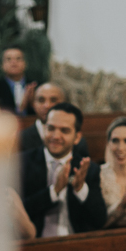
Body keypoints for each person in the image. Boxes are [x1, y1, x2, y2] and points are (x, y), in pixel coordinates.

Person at [19, 101, 107, 237]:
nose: (55, 136)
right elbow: (18, 212)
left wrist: (80, 189)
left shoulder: (88, 169)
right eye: (51, 128)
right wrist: (54, 191)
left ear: (77, 137)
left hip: (75, 243)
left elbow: (99, 221)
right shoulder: (23, 162)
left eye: (64, 130)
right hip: (36, 244)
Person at [0, 44, 35, 116]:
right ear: (2, 65)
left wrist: (32, 102)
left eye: (18, 58)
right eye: (8, 59)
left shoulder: (35, 86)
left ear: (25, 63)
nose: (13, 62)